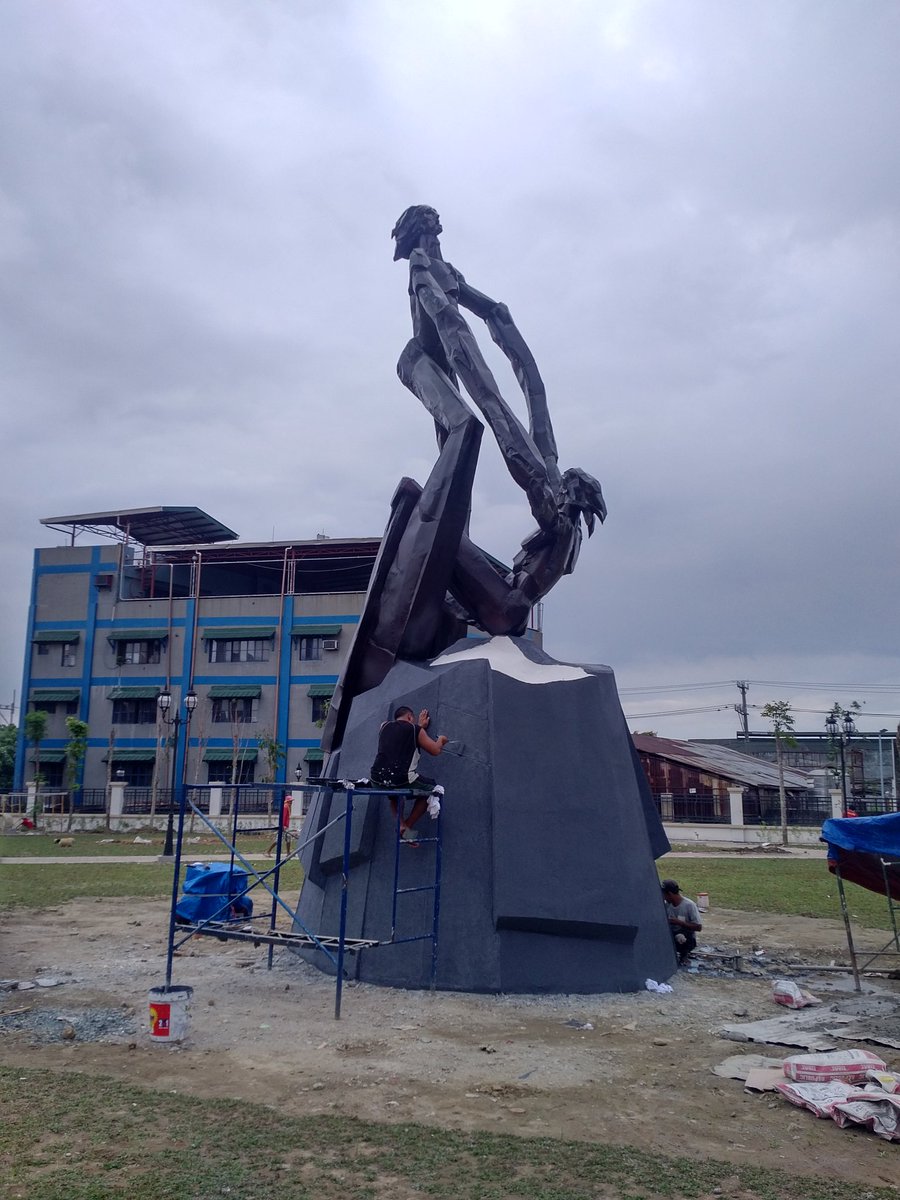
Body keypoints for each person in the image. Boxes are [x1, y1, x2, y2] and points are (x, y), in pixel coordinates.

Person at [370, 705, 448, 842]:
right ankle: (407, 826)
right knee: (432, 789)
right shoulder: (416, 730)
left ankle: (400, 824)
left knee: (394, 794)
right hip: (402, 779)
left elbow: (401, 737)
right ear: (410, 717)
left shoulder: (384, 726)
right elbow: (435, 750)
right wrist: (441, 739)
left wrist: (419, 728)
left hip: (377, 779)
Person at [661, 879, 703, 965]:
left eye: (664, 895)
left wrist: (679, 922)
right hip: (671, 934)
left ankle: (684, 956)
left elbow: (698, 927)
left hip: (686, 936)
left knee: (681, 937)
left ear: (670, 894)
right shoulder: (666, 905)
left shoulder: (689, 905)